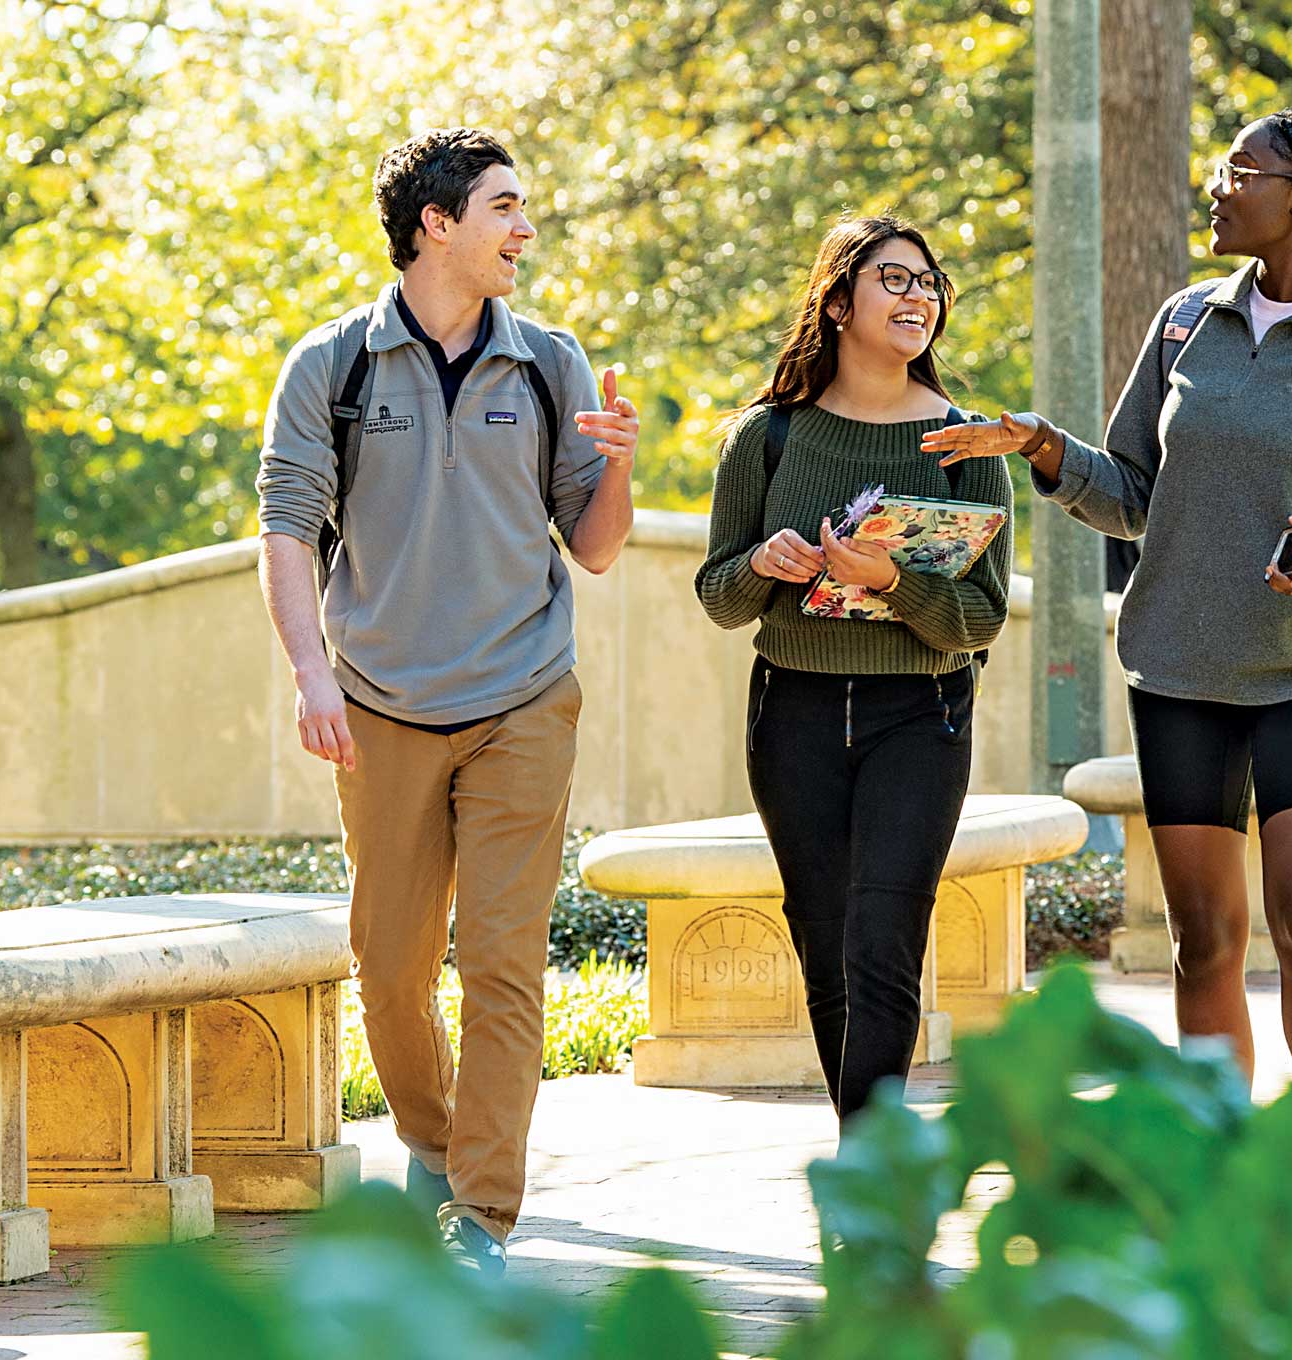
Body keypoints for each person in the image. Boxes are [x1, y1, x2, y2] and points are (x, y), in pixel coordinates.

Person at [927, 106, 1292, 1085]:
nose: (1216, 186)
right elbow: (1134, 494)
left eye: (1238, 171)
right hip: (1179, 668)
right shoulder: (1185, 324)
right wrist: (1047, 447)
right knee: (1203, 937)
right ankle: (1215, 1143)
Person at [255, 128, 637, 1274]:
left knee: (507, 961)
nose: (526, 229)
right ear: (437, 225)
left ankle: (479, 1215)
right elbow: (286, 530)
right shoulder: (336, 366)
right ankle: (430, 1143)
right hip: (377, 701)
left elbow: (600, 549)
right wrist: (312, 675)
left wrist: (618, 455)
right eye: (505, 208)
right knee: (389, 961)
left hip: (525, 692)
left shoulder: (552, 362)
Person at [694, 215, 1014, 1127]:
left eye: (929, 282)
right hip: (791, 713)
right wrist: (765, 565)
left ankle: (869, 1175)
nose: (919, 297)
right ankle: (866, 1150)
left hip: (923, 715)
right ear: (838, 302)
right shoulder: (767, 437)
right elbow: (718, 595)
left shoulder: (966, 443)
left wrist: (896, 583)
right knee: (825, 942)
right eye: (895, 279)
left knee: (884, 941)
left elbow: (984, 616)